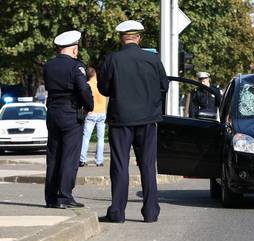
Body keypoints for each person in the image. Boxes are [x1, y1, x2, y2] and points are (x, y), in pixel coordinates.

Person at [98, 20, 169, 223]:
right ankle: (150, 212)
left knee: (120, 165)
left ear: (122, 38)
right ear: (138, 38)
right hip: (147, 119)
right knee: (147, 165)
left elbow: (103, 88)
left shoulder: (112, 59)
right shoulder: (153, 59)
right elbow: (164, 86)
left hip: (121, 119)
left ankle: (118, 212)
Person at [43, 30, 94, 209]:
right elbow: (83, 89)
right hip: (70, 112)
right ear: (73, 49)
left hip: (53, 111)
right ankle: (64, 197)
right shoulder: (76, 66)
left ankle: (50, 198)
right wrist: (89, 106)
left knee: (53, 155)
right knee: (69, 157)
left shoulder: (48, 65)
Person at [79, 67, 107, 167]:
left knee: (86, 137)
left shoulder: (87, 85)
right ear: (95, 74)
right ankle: (99, 161)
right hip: (102, 113)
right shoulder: (101, 84)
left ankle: (82, 159)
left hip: (91, 113)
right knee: (100, 138)